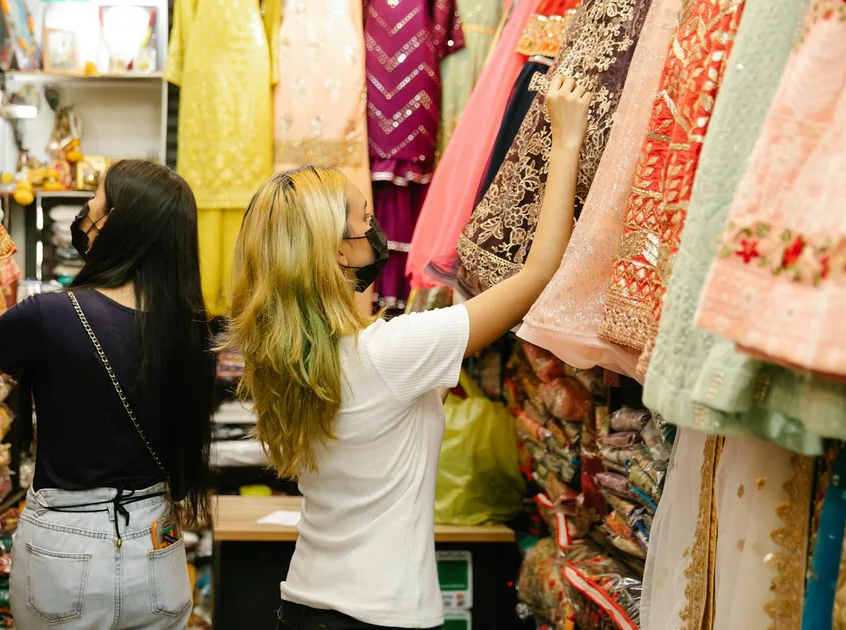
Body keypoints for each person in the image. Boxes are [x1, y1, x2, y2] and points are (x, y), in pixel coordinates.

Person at [225, 75, 593, 630]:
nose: (377, 230)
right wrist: (566, 141)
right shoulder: (389, 353)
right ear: (333, 253)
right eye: (364, 221)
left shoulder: (288, 355)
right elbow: (539, 274)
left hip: (305, 604)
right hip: (377, 616)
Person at [0, 159, 215, 630]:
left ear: (114, 223)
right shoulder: (192, 329)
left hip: (67, 548)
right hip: (157, 546)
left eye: (95, 198)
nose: (86, 207)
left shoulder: (49, 316)